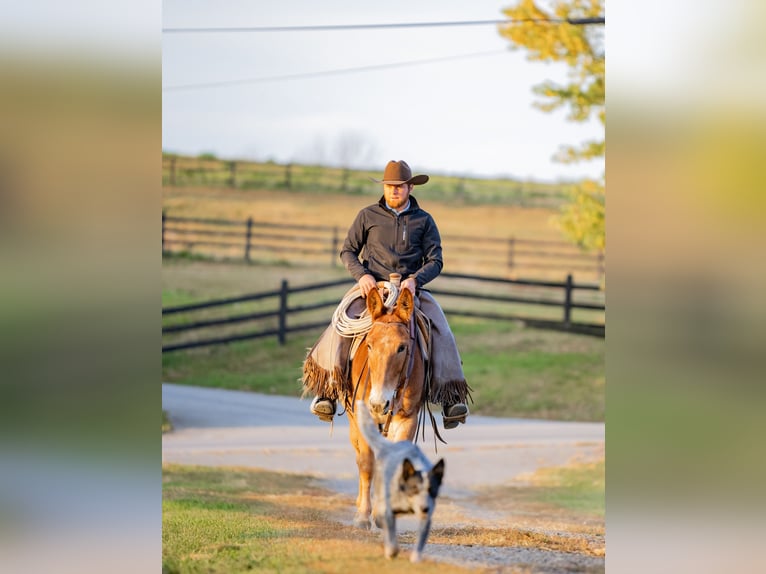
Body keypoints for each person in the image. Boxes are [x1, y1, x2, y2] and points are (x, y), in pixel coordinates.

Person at [302, 160, 470, 429]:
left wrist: (415, 280)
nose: (394, 191)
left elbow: (435, 260)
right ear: (385, 187)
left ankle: (451, 397)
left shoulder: (424, 220)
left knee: (441, 328)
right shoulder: (367, 216)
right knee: (341, 326)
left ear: (410, 187)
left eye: (400, 186)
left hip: (409, 292)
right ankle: (328, 391)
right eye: (390, 186)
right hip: (373, 289)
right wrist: (363, 276)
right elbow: (347, 251)